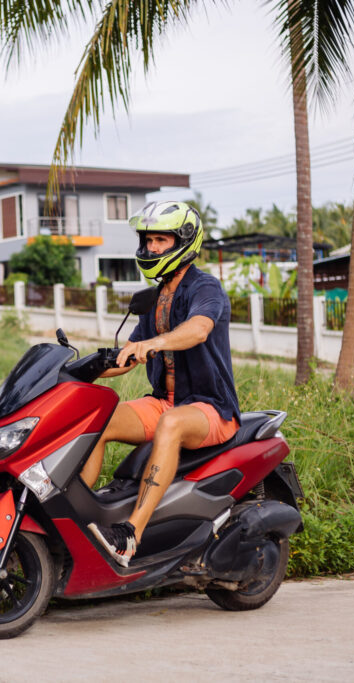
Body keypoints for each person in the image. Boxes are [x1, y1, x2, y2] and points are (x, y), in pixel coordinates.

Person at [85, 200, 241, 567]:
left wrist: (154, 343)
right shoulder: (157, 299)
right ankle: (78, 519)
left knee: (171, 423)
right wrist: (76, 371)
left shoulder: (205, 288)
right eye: (148, 240)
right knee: (97, 416)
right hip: (165, 401)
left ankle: (129, 535)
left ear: (183, 242)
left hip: (210, 408)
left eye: (160, 240)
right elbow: (127, 356)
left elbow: (199, 329)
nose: (152, 248)